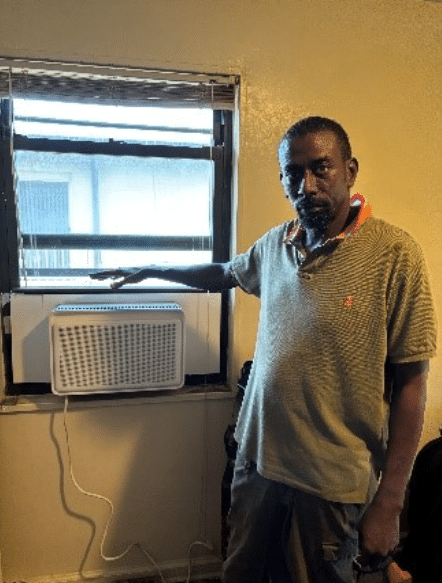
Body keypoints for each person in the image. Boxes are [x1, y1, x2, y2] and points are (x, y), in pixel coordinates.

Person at [90, 117, 437, 583]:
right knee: (241, 574)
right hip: (257, 467)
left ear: (350, 170)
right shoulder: (276, 244)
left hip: (331, 485)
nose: (307, 184)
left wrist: (390, 502)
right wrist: (153, 269)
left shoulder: (395, 255)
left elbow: (413, 386)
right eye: (293, 174)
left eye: (321, 168)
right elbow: (224, 273)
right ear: (282, 180)